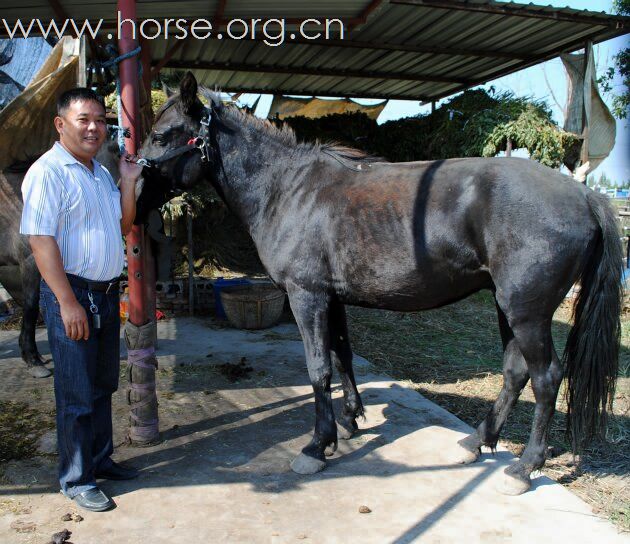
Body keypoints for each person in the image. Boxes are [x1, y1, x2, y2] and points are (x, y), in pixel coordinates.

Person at [19, 88, 143, 512]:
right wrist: (67, 302)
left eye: (100, 119)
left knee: (103, 385)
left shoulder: (99, 173)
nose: (94, 127)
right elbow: (39, 238)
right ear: (61, 124)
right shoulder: (49, 171)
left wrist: (127, 182)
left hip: (105, 296)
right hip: (72, 295)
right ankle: (75, 478)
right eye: (83, 119)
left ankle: (99, 459)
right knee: (75, 392)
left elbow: (123, 223)